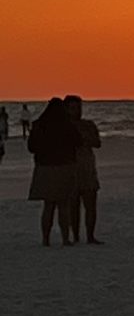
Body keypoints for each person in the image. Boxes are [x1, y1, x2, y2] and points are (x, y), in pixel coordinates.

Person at [27, 98, 81, 247]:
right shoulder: (67, 125)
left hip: (45, 168)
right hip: (65, 166)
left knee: (48, 205)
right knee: (64, 205)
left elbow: (31, 147)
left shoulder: (39, 125)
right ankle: (65, 239)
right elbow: (78, 142)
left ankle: (46, 239)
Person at [64, 95, 103, 244]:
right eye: (73, 108)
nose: (78, 111)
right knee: (73, 205)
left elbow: (97, 143)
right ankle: (75, 236)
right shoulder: (64, 127)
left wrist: (85, 138)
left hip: (87, 167)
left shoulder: (88, 125)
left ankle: (90, 236)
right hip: (71, 168)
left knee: (91, 204)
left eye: (79, 107)